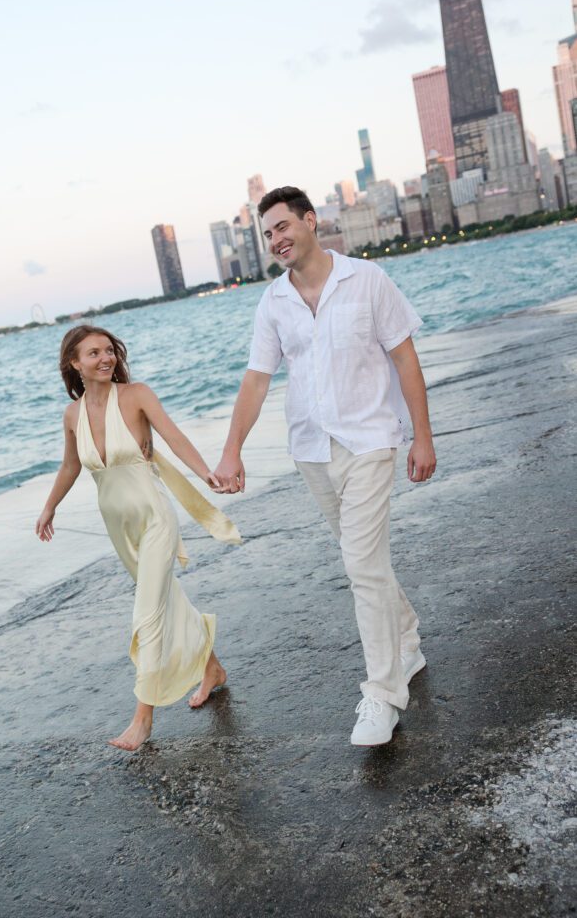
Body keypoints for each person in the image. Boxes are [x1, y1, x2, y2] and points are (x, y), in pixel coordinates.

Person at [214, 187, 436, 747]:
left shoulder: (367, 280)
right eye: (268, 234)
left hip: (370, 440)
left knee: (361, 565)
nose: (277, 240)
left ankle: (383, 695)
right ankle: (406, 640)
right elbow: (257, 379)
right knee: (365, 559)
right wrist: (232, 448)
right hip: (311, 448)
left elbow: (405, 359)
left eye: (284, 226)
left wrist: (422, 438)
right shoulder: (273, 302)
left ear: (311, 222)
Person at [36, 324, 240, 752]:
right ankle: (213, 670)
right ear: (74, 363)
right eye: (93, 353)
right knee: (167, 596)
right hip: (118, 526)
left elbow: (174, 436)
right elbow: (71, 466)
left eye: (109, 350)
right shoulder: (72, 415)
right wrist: (50, 506)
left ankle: (143, 718)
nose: (105, 358)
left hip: (154, 519)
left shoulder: (136, 396)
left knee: (147, 613)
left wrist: (206, 474)